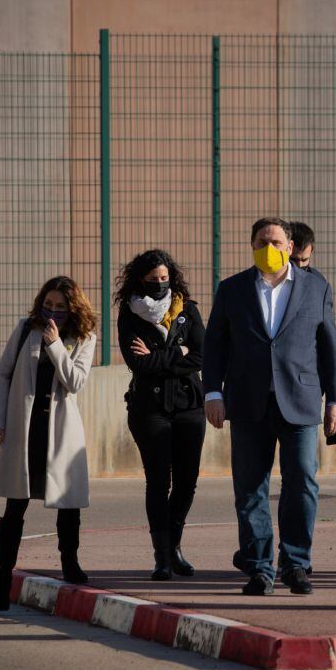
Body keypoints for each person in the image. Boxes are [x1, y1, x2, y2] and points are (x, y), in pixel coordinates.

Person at [202, 217, 336, 596]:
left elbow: (329, 348)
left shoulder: (317, 288)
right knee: (250, 489)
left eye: (278, 241)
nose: (271, 247)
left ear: (291, 246)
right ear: (252, 245)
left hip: (299, 401)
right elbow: (215, 345)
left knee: (302, 483)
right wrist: (212, 393)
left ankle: (296, 564)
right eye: (263, 241)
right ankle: (260, 568)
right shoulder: (232, 289)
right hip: (247, 402)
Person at [0, 276, 98, 610]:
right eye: (48, 304)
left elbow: (75, 381)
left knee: (67, 503)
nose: (53, 311)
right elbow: (3, 373)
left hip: (60, 430)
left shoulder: (83, 336)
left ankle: (70, 564)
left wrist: (55, 345)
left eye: (61, 306)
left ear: (73, 307)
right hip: (25, 428)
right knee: (15, 504)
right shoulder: (25, 329)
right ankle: (3, 579)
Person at [116, 249, 206, 581]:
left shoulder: (188, 310)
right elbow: (137, 363)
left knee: (187, 482)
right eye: (153, 280)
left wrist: (160, 355)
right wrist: (176, 352)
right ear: (140, 280)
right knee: (158, 481)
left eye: (165, 279)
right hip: (149, 410)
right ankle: (162, 558)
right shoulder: (130, 314)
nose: (159, 284)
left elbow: (201, 356)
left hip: (189, 407)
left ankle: (175, 548)